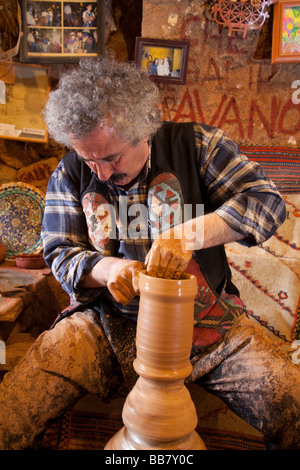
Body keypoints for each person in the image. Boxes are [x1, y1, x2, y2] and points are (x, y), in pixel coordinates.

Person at [0, 57, 299, 450]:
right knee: (13, 412)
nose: (101, 173)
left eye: (111, 158)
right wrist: (108, 269)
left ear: (144, 129)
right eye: (91, 158)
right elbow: (59, 250)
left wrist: (189, 234)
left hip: (209, 325)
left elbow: (267, 204)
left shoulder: (197, 147)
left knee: (292, 407)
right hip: (106, 323)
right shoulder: (71, 171)